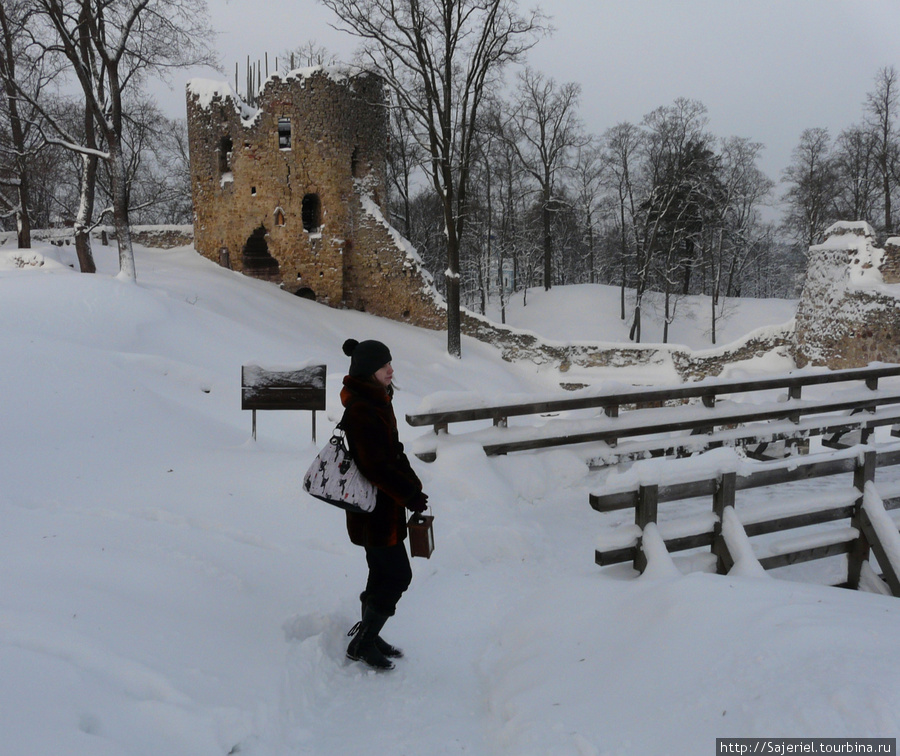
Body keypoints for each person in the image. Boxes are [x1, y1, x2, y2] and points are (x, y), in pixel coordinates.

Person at [339, 338, 428, 671]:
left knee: (380, 572)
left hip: (383, 508)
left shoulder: (377, 400)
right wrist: (407, 494)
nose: (391, 370)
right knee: (398, 576)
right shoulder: (363, 408)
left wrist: (412, 488)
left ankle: (369, 633)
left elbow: (393, 451)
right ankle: (362, 644)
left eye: (390, 363)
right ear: (368, 371)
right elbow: (373, 465)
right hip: (373, 510)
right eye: (384, 366)